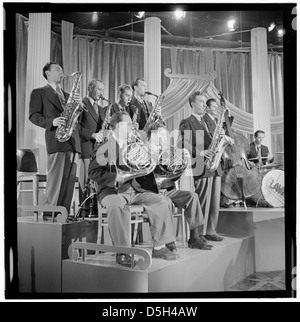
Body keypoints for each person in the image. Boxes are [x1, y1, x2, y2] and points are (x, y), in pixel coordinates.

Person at [88, 111, 178, 267]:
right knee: (116, 205)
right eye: (128, 124)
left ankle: (159, 247)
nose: (132, 127)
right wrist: (114, 178)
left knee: (162, 201)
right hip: (112, 190)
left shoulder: (132, 146)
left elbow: (140, 169)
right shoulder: (104, 146)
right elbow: (92, 172)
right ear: (117, 126)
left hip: (133, 190)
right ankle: (123, 252)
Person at [135, 121, 213, 250]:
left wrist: (183, 164)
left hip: (167, 190)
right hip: (150, 191)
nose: (164, 139)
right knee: (164, 202)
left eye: (165, 136)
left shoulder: (167, 152)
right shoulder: (143, 150)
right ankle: (168, 241)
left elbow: (172, 177)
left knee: (192, 196)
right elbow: (140, 177)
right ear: (152, 135)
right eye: (161, 136)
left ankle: (194, 237)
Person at [29, 62, 81, 218]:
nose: (61, 72)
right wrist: (51, 122)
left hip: (72, 141)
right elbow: (34, 116)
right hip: (56, 139)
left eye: (62, 70)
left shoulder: (67, 95)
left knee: (68, 182)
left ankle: (62, 214)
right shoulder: (38, 92)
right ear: (47, 73)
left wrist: (77, 105)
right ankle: (49, 213)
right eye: (57, 69)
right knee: (56, 181)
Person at [178, 92, 225, 242]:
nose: (205, 105)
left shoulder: (209, 122)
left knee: (214, 201)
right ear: (192, 103)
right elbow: (183, 144)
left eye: (205, 102)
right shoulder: (187, 122)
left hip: (214, 164)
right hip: (201, 164)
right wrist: (201, 152)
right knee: (203, 200)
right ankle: (199, 234)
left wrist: (220, 136)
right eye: (201, 102)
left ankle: (211, 230)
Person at [77, 79, 107, 216]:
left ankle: (95, 208)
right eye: (99, 89)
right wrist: (93, 134)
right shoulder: (81, 104)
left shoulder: (101, 109)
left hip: (98, 150)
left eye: (102, 90)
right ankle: (83, 210)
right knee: (85, 181)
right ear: (90, 88)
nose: (101, 93)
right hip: (86, 147)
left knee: (96, 180)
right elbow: (76, 127)